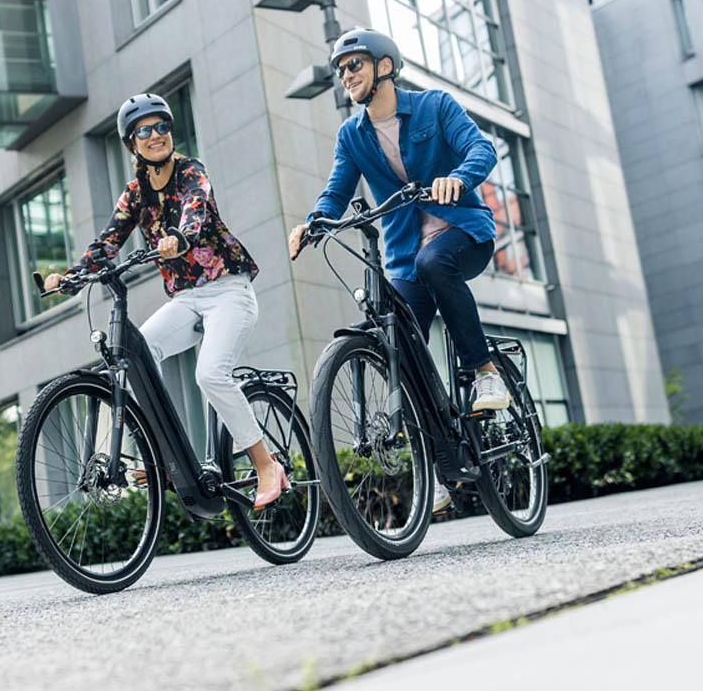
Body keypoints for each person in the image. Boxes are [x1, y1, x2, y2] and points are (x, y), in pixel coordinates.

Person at [287, 28, 509, 513]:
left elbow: (482, 149)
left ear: (385, 66)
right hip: (405, 252)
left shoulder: (434, 106)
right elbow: (337, 190)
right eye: (341, 69)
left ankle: (484, 370)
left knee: (437, 263)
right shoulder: (352, 134)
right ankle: (440, 460)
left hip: (463, 232)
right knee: (396, 341)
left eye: (355, 65)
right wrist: (314, 222)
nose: (346, 75)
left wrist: (459, 178)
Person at [44, 93, 287, 509]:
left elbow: (195, 207)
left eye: (162, 127)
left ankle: (266, 464)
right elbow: (107, 242)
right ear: (131, 144)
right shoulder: (135, 193)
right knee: (134, 354)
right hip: (186, 299)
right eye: (144, 130)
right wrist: (71, 276)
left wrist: (181, 237)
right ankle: (156, 453)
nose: (156, 135)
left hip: (228, 289)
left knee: (210, 374)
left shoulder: (192, 171)